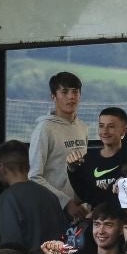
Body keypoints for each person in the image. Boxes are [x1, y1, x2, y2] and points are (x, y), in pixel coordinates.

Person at [28, 72, 90, 219]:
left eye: (75, 91)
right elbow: (34, 176)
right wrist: (66, 202)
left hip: (80, 211)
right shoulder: (44, 129)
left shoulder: (83, 127)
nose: (71, 97)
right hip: (53, 211)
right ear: (53, 97)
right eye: (64, 92)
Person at [0, 139, 69, 250]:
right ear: (28, 166)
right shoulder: (50, 195)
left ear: (1, 167)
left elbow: (11, 246)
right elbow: (63, 236)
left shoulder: (8, 198)